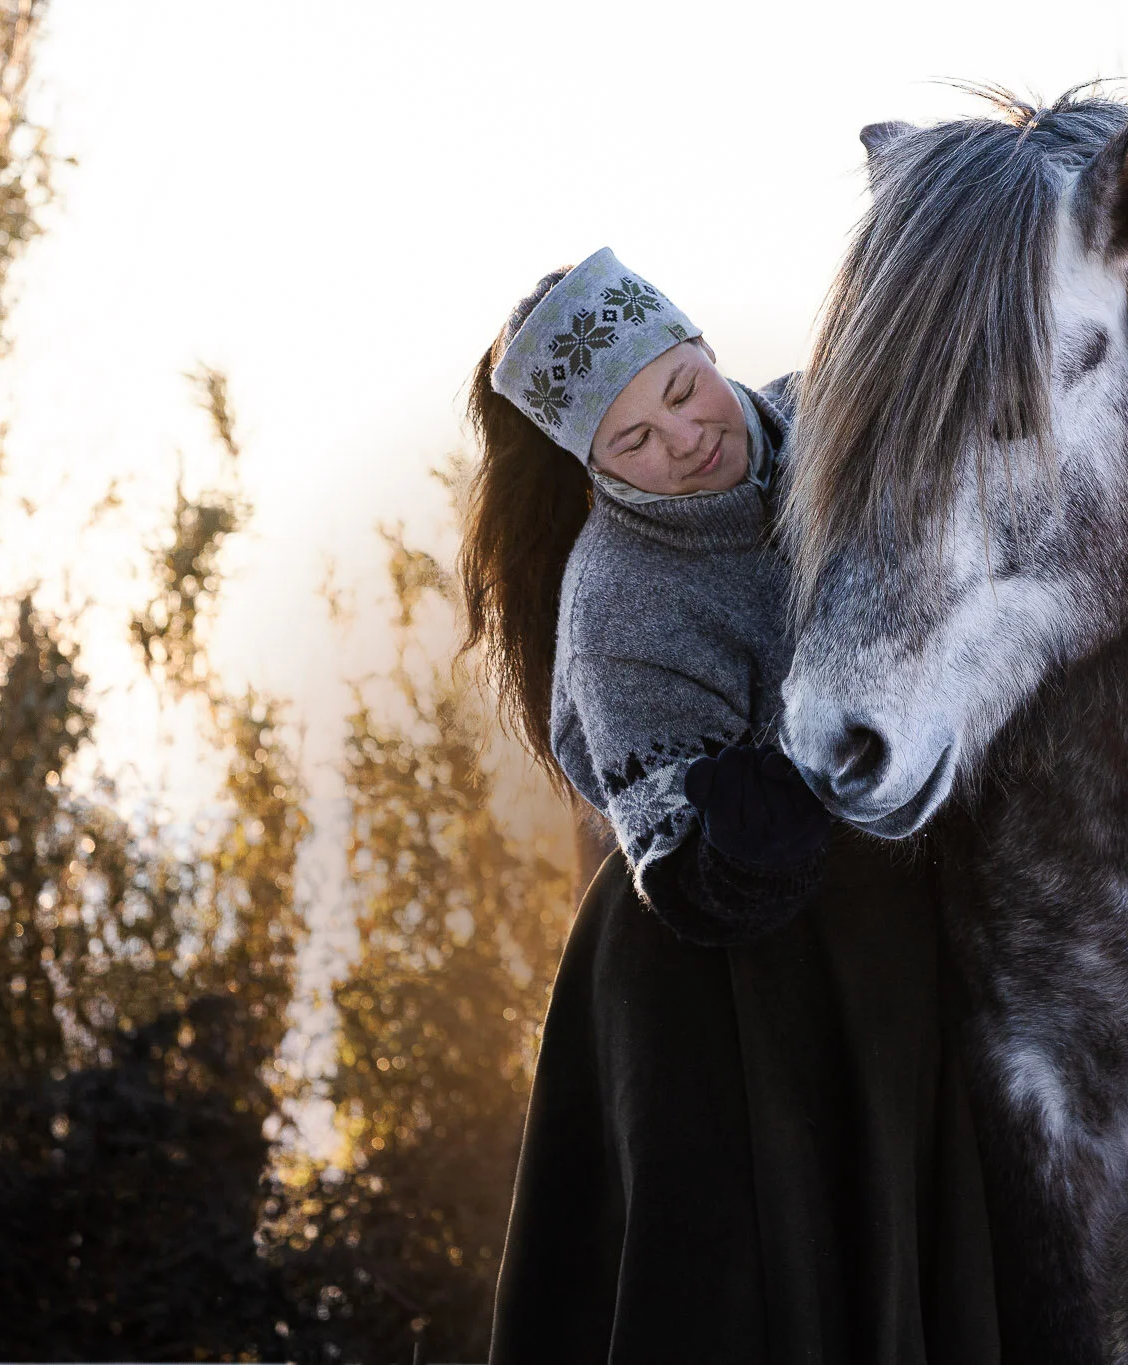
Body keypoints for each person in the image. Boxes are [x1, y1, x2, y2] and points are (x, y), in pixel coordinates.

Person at [459, 250, 996, 1363]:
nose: (683, 441)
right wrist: (824, 735)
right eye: (632, 445)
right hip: (726, 983)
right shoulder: (619, 606)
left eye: (676, 391)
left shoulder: (842, 421)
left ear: (696, 344)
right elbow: (694, 874)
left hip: (901, 900)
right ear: (589, 464)